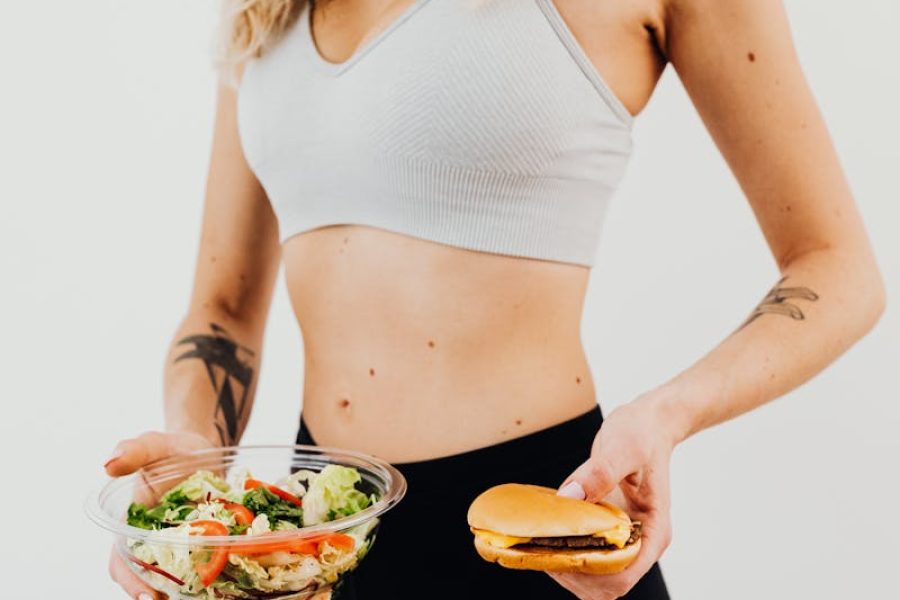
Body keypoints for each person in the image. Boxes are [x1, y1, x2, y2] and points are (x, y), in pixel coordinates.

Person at [104, 0, 885, 598]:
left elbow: (839, 266)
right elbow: (223, 310)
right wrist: (194, 483)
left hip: (545, 533)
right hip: (320, 544)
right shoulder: (262, 10)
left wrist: (666, 414)